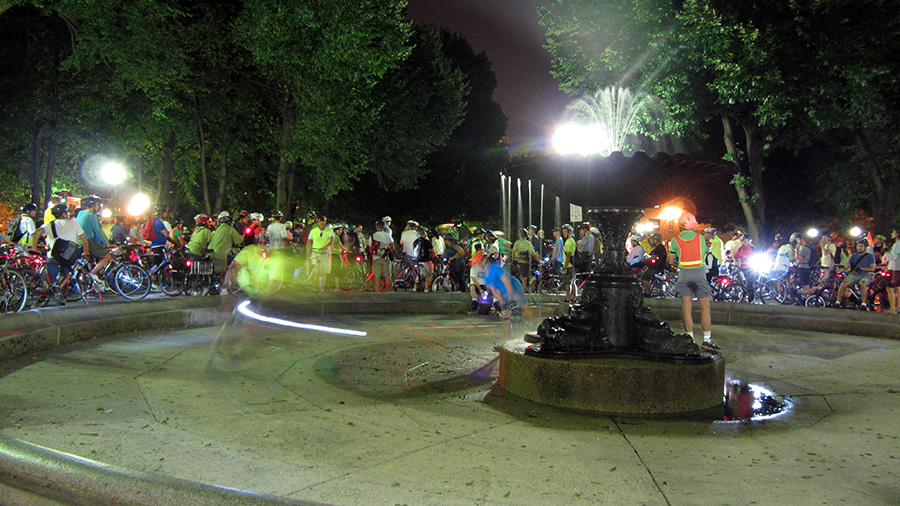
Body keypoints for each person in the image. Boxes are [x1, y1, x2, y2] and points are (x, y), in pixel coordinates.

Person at [670, 212, 717, 351]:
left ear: (680, 225)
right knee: (705, 309)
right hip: (699, 273)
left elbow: (672, 259)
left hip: (684, 274)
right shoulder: (700, 238)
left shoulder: (675, 240)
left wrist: (677, 261)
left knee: (686, 309)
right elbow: (704, 253)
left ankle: (690, 339)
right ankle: (707, 339)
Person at [31, 204, 90, 301]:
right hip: (68, 256)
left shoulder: (50, 225)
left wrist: (34, 248)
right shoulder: (74, 224)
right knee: (65, 276)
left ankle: (42, 299)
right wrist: (86, 252)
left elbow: (37, 233)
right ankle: (63, 298)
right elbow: (84, 238)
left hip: (53, 255)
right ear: (64, 214)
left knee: (49, 279)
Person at [479, 252, 533, 343]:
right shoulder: (485, 275)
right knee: (505, 316)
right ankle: (506, 338)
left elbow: (506, 282)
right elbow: (493, 290)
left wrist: (510, 295)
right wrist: (502, 302)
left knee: (524, 310)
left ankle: (534, 327)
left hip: (515, 288)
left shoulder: (495, 268)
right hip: (504, 292)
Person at [75, 196, 114, 284]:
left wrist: (101, 242)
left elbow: (99, 229)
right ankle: (93, 273)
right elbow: (98, 231)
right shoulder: (92, 215)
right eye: (98, 205)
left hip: (78, 240)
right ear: (93, 205)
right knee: (107, 257)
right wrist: (107, 243)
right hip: (87, 241)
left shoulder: (81, 213)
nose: (100, 207)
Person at [835, 239, 876, 308]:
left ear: (865, 247)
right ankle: (838, 302)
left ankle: (864, 303)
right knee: (844, 284)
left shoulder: (870, 256)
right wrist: (839, 270)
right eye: (858, 246)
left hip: (865, 275)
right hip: (854, 274)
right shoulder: (853, 256)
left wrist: (861, 268)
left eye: (861, 246)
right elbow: (847, 266)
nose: (859, 248)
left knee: (863, 284)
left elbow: (872, 268)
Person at [209, 212, 243, 290]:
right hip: (221, 253)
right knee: (223, 272)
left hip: (212, 252)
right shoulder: (230, 229)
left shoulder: (218, 229)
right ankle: (224, 288)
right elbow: (238, 241)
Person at [307, 215, 334, 291]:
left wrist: (326, 246)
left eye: (323, 222)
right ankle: (315, 285)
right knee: (316, 269)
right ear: (318, 222)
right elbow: (309, 242)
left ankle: (322, 287)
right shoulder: (313, 231)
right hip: (315, 251)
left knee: (324, 271)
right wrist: (308, 252)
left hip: (324, 252)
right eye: (320, 222)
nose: (322, 223)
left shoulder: (329, 231)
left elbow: (331, 240)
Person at [370, 221, 393, 291]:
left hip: (376, 258)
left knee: (377, 276)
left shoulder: (373, 236)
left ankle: (377, 291)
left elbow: (370, 248)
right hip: (386, 257)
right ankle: (389, 291)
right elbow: (392, 247)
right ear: (384, 227)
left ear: (376, 227)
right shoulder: (387, 235)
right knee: (388, 276)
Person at [882, 229, 900, 314]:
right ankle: (898, 307)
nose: (892, 234)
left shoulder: (897, 244)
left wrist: (886, 251)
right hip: (898, 268)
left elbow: (894, 257)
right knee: (897, 288)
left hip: (895, 268)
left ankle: (892, 308)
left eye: (893, 232)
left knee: (890, 288)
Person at [562, 224, 577, 302]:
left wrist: (565, 266)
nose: (564, 233)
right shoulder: (572, 241)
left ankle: (568, 298)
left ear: (569, 232)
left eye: (565, 232)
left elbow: (568, 255)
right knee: (573, 282)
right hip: (573, 265)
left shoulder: (568, 242)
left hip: (569, 265)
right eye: (563, 232)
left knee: (567, 283)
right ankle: (575, 297)